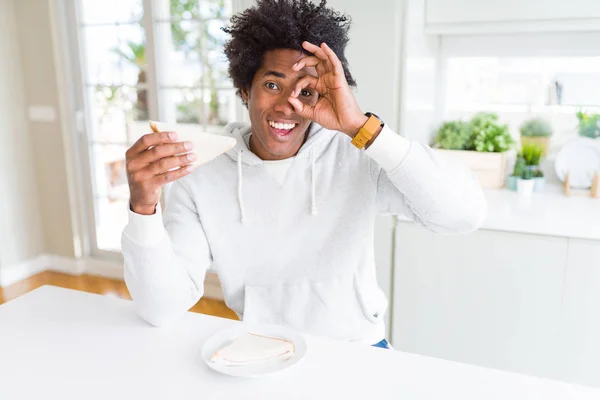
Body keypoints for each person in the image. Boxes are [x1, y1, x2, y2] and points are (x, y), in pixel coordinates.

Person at [121, 0, 486, 349]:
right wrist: (143, 208)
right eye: (272, 85)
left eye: (306, 90)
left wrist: (362, 128)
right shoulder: (201, 175)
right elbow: (160, 308)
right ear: (245, 90)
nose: (287, 105)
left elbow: (464, 215)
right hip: (259, 351)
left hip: (358, 346)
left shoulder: (357, 152)